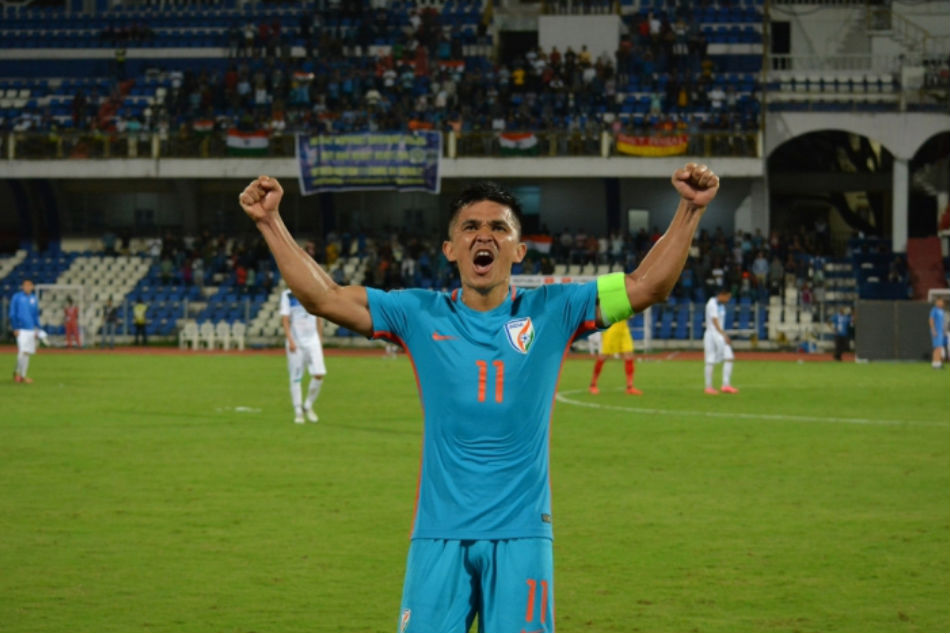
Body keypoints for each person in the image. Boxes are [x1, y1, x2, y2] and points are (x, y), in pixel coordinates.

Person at [239, 163, 720, 633]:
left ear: (520, 249)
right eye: (470, 227)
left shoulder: (556, 308)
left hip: (523, 534)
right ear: (451, 248)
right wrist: (270, 221)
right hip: (438, 532)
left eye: (498, 227)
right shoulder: (418, 312)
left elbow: (647, 285)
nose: (483, 235)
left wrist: (688, 211)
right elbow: (326, 298)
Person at [280, 288, 326, 424]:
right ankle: (298, 411)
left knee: (319, 373)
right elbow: (285, 320)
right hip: (296, 341)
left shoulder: (314, 291)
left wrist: (320, 338)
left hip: (313, 340)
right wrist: (290, 341)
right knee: (296, 377)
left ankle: (307, 405)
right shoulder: (288, 294)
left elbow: (318, 317)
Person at [588, 319, 642, 395]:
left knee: (629, 355)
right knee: (603, 356)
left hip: (623, 327)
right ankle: (593, 385)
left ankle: (630, 387)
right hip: (611, 327)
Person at [703, 287, 738, 394]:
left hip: (718, 334)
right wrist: (723, 335)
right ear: (722, 295)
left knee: (729, 357)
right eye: (727, 297)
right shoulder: (712, 303)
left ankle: (726, 385)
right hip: (712, 335)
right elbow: (715, 320)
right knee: (710, 360)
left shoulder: (721, 305)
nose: (728, 299)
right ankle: (708, 387)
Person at [10, 279, 40, 384]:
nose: (27, 287)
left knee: (27, 353)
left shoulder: (33, 299)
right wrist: (15, 327)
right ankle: (17, 372)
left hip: (31, 329)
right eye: (25, 285)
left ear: (32, 287)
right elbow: (13, 313)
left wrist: (38, 328)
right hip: (21, 329)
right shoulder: (17, 297)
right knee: (22, 351)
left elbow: (35, 315)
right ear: (22, 287)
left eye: (29, 285)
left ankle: (23, 376)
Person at [929, 297, 947, 369]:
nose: (940, 303)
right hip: (936, 331)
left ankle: (938, 363)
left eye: (941, 301)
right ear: (936, 302)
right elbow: (931, 320)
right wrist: (933, 330)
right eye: (939, 301)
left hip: (941, 332)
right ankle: (935, 363)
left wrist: (944, 331)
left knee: (939, 348)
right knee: (937, 347)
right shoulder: (934, 310)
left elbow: (943, 322)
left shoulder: (942, 311)